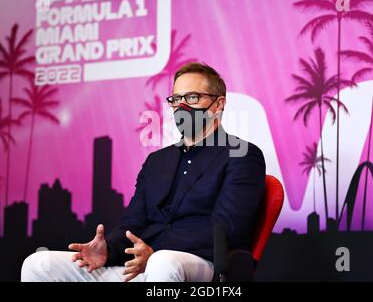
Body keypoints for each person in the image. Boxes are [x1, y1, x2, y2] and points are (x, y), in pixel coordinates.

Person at [21, 62, 266, 282]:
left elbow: (227, 229)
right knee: (39, 265)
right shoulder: (157, 161)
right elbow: (133, 223)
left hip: (200, 264)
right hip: (143, 264)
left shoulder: (241, 155)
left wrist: (154, 252)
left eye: (192, 97)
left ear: (219, 104)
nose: (181, 106)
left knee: (164, 262)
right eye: (175, 99)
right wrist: (108, 249)